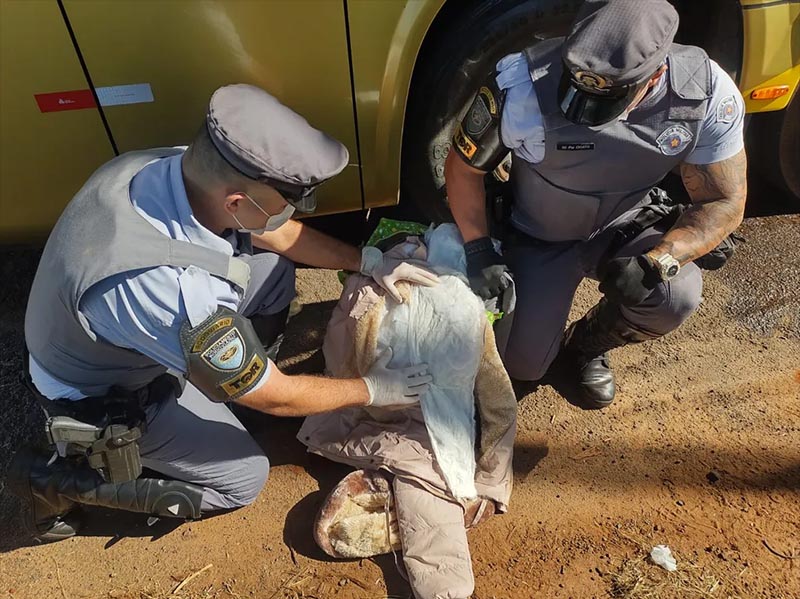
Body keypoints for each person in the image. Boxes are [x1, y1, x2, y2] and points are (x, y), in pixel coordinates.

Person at [7, 84, 438, 542]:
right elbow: (280, 397)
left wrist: (367, 262)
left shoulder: (167, 168)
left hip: (111, 330)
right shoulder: (176, 293)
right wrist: (374, 388)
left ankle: (232, 388)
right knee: (243, 479)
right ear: (237, 202)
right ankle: (58, 480)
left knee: (270, 271)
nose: (292, 211)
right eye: (287, 201)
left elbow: (273, 234)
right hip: (102, 389)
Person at [445, 0, 747, 408]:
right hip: (540, 234)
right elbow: (464, 169)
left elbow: (725, 199)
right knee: (524, 366)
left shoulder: (706, 94)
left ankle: (584, 344)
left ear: (656, 73)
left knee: (676, 295)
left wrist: (659, 259)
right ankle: (541, 348)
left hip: (627, 223)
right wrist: (479, 249)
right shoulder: (521, 84)